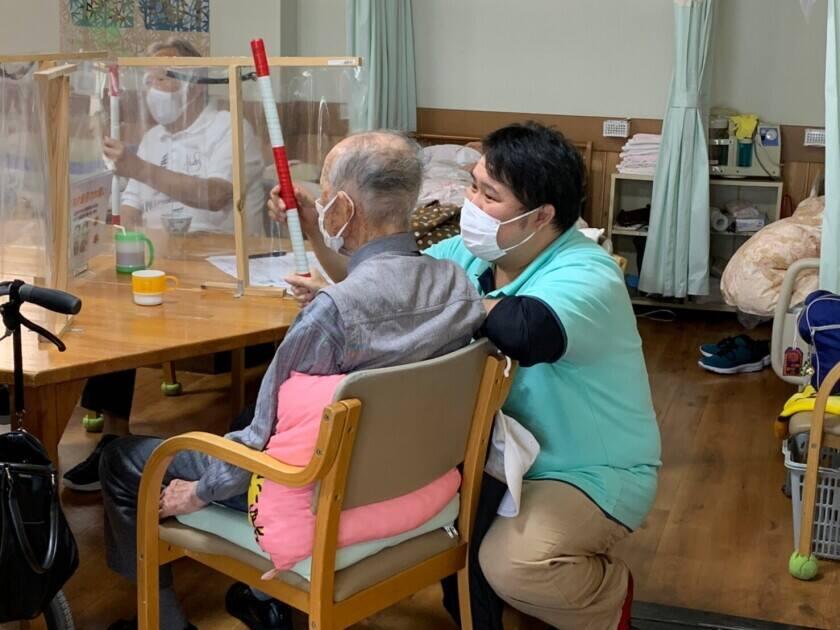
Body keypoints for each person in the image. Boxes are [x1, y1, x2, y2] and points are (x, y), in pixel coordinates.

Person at [277, 122, 661, 630]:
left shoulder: (587, 272)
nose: (470, 202)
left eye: (489, 194)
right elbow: (385, 286)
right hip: (496, 452)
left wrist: (431, 304)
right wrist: (317, 238)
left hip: (584, 470)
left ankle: (607, 598)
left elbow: (528, 330)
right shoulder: (471, 254)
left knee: (513, 566)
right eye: (473, 183)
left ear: (540, 216)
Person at [97, 130, 486, 630]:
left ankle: (164, 620)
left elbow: (260, 441)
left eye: (323, 197)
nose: (320, 206)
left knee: (120, 459)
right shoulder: (459, 286)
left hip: (315, 490)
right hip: (411, 480)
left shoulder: (333, 314)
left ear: (343, 209)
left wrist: (200, 492)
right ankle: (270, 602)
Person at [63, 37, 266, 493]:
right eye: (148, 77)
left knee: (126, 307)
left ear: (193, 84)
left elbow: (217, 194)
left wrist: (137, 167)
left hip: (219, 268)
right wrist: (129, 238)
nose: (151, 86)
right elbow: (130, 205)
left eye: (161, 77)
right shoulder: (153, 138)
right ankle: (113, 436)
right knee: (107, 299)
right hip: (162, 262)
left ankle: (121, 447)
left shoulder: (230, 128)